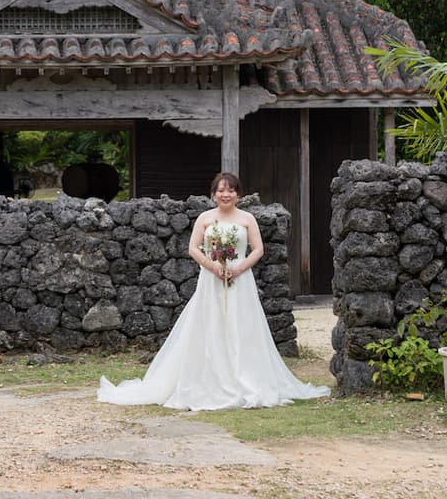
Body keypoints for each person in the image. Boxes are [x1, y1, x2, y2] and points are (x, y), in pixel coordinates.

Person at [97, 171, 330, 410]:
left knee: (242, 325)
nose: (225, 194)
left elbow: (258, 249)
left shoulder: (247, 218)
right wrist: (212, 266)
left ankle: (246, 378)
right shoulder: (205, 218)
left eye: (230, 190)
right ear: (214, 194)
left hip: (241, 279)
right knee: (210, 323)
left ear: (238, 194)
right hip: (211, 279)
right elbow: (193, 248)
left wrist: (238, 269)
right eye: (221, 190)